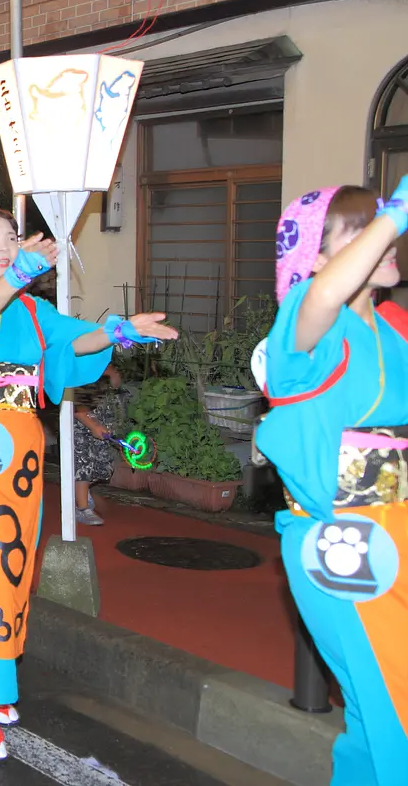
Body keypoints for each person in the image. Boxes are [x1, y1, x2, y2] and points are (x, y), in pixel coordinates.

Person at [0, 208, 177, 762]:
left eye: (11, 238)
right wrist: (16, 277)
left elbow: (78, 341)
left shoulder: (32, 309)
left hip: (22, 443)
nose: (5, 245)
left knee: (13, 562)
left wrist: (122, 330)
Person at [254, 180, 408, 786]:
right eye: (361, 228)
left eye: (384, 224)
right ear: (316, 258)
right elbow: (322, 296)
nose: (384, 237)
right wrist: (393, 217)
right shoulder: (302, 328)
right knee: (394, 705)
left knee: (378, 719)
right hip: (342, 539)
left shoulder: (394, 327)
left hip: (397, 526)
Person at [72, 365, 124, 526]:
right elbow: (77, 408)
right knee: (83, 466)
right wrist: (93, 426)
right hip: (81, 429)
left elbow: (116, 386)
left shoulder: (106, 371)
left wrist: (113, 375)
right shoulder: (84, 374)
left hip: (101, 429)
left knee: (104, 468)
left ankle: (79, 490)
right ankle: (82, 508)